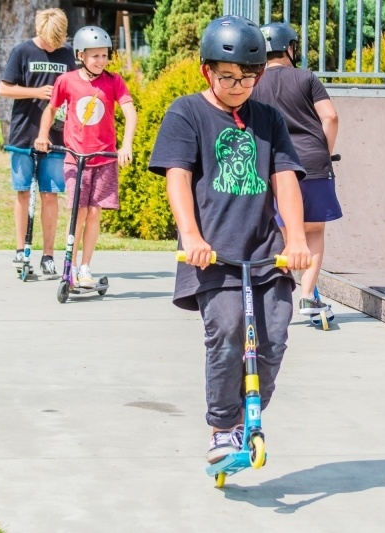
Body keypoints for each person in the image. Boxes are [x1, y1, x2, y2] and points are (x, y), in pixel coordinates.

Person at [148, 15, 311, 464]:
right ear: (207, 71)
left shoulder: (268, 119)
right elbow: (178, 177)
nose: (238, 86)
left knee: (273, 338)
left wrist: (295, 239)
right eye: (227, 77)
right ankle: (222, 427)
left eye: (248, 78)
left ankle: (245, 419)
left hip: (264, 254)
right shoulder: (187, 112)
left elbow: (285, 179)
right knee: (227, 333)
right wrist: (191, 235)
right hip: (213, 255)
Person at [250, 22, 342, 317]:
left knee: (285, 231)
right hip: (314, 164)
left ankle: (278, 296)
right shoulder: (307, 78)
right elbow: (330, 117)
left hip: (277, 167)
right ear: (289, 48)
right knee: (313, 231)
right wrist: (323, 153)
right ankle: (307, 297)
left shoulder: (254, 82)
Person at [35, 26, 137, 288]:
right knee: (78, 212)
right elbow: (51, 109)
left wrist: (126, 145)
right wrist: (43, 135)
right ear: (81, 55)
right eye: (95, 56)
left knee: (94, 213)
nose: (101, 61)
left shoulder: (113, 81)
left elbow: (130, 112)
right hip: (75, 159)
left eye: (104, 55)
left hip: (104, 159)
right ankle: (69, 265)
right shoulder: (67, 81)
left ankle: (84, 268)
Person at [0, 7, 77, 276]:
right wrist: (35, 92)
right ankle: (21, 250)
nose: (52, 46)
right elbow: (4, 88)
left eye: (57, 40)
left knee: (50, 194)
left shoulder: (67, 54)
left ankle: (47, 255)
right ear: (38, 30)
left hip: (56, 135)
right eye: (48, 40)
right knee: (22, 191)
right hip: (24, 132)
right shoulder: (22, 51)